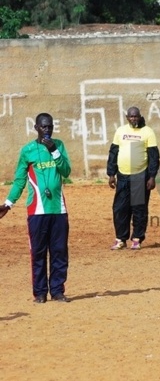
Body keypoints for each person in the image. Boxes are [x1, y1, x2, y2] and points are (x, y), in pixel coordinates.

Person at [0, 113, 71, 303]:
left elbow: (66, 171)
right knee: (38, 252)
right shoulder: (28, 151)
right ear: (36, 128)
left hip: (58, 210)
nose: (47, 130)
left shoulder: (59, 145)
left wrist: (55, 151)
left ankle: (57, 290)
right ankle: (40, 292)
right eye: (43, 127)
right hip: (37, 211)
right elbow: (20, 180)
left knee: (59, 251)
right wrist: (8, 203)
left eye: (50, 127)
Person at [106, 106, 160, 250]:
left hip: (140, 177)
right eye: (131, 116)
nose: (133, 119)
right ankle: (120, 239)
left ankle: (137, 238)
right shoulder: (121, 131)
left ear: (140, 116)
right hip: (122, 176)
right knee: (120, 208)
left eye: (136, 116)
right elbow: (113, 153)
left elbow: (154, 157)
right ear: (127, 117)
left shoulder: (147, 132)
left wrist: (152, 176)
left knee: (139, 209)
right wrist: (111, 174)